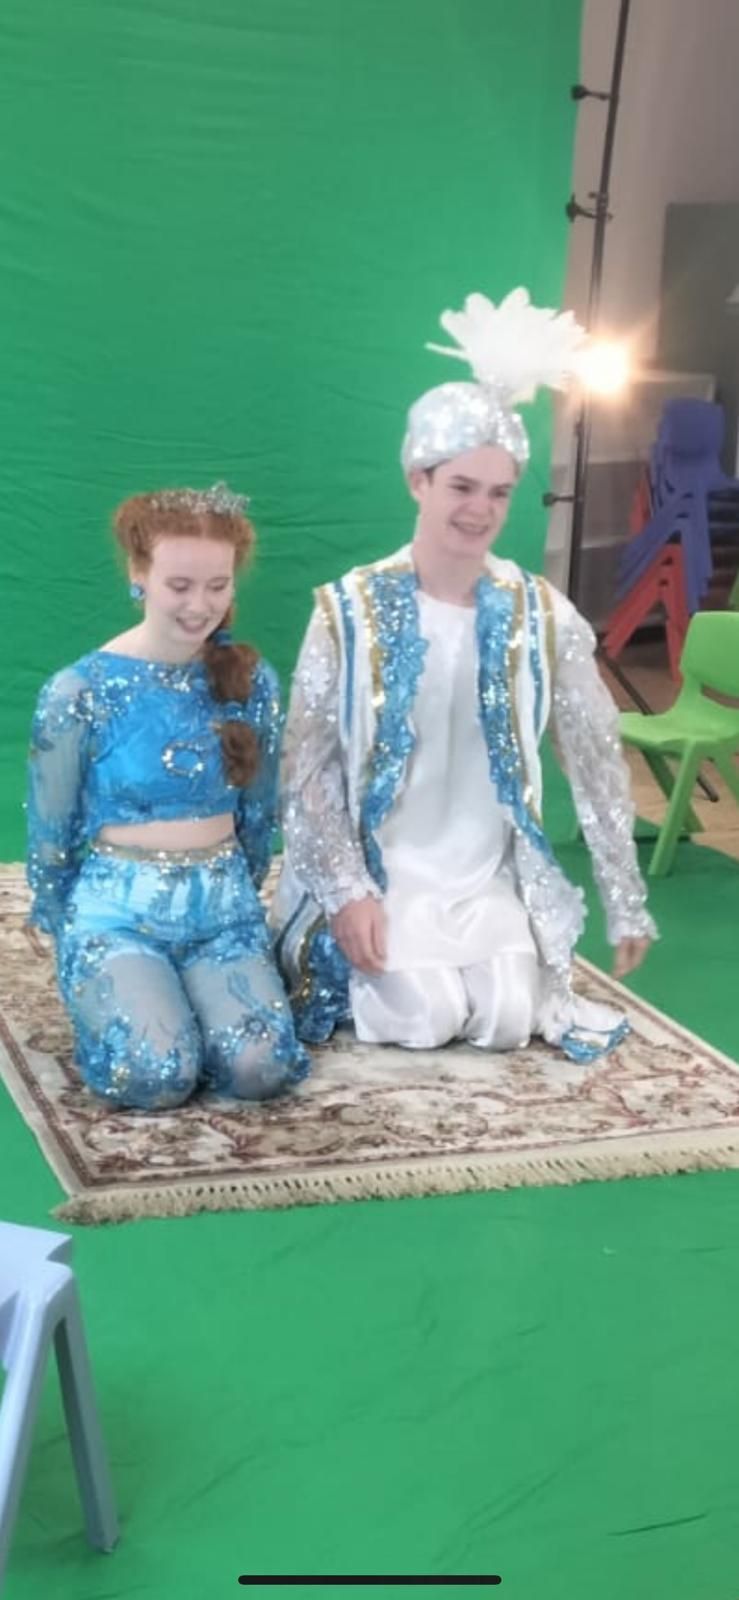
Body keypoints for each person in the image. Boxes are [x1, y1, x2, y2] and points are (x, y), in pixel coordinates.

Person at [271, 288, 657, 1061]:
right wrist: (347, 892)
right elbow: (306, 769)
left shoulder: (537, 612)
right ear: (418, 480)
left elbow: (592, 753)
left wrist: (624, 898)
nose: (478, 510)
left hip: (481, 877)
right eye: (460, 487)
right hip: (387, 875)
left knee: (510, 1019)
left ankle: (485, 958)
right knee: (429, 1014)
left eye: (497, 492)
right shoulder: (347, 611)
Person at [27, 482, 309, 1109]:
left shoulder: (251, 681)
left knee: (259, 1071)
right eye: (179, 586)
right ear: (139, 574)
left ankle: (203, 1002)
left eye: (217, 586)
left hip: (223, 913)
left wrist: (237, 895)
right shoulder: (79, 691)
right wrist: (68, 925)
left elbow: (258, 814)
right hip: (118, 913)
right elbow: (51, 830)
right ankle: (126, 995)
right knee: (157, 1077)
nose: (198, 606)